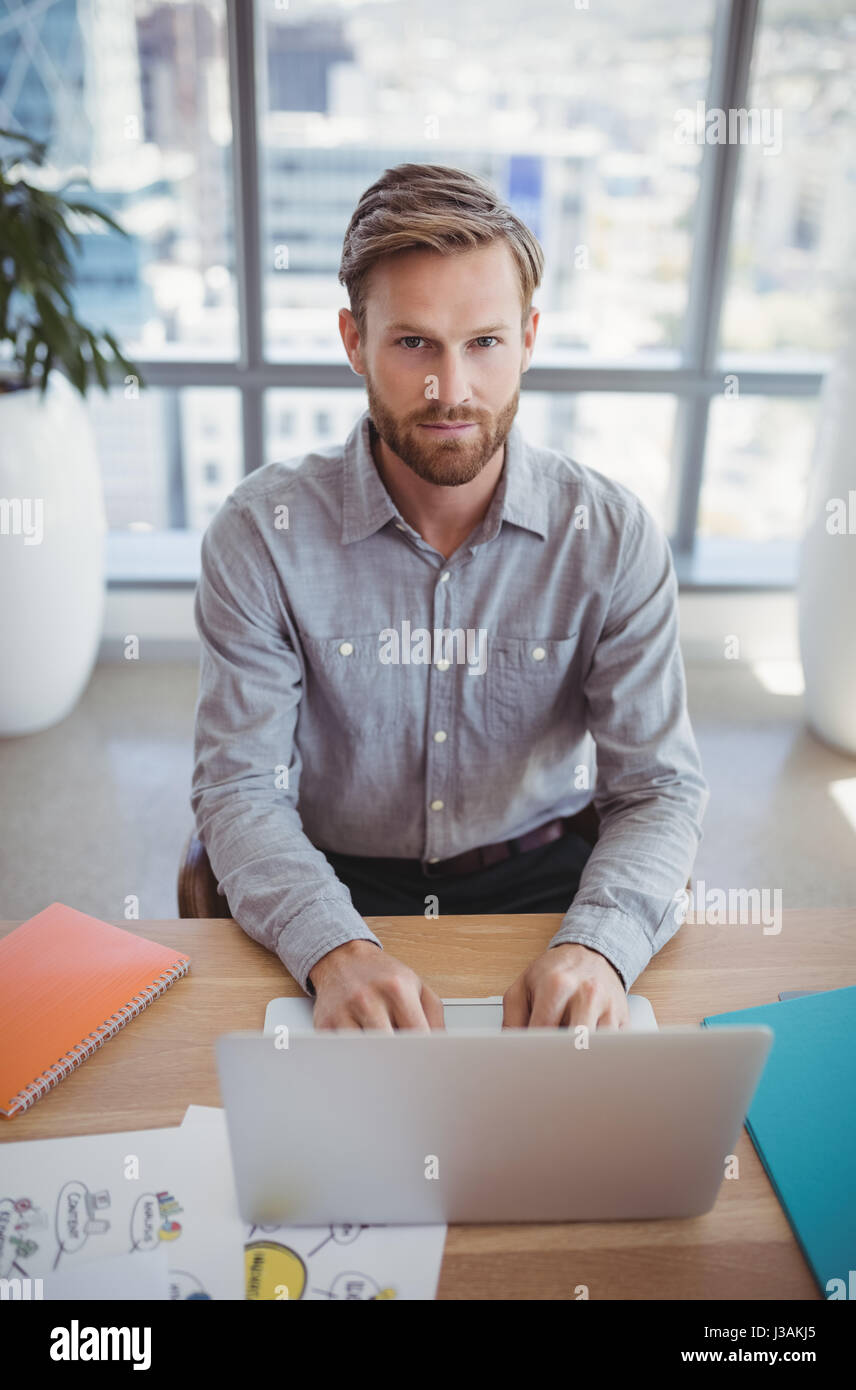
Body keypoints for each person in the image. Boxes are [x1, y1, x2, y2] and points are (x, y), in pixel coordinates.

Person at [191, 163, 708, 1033]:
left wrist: (600, 945)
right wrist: (333, 949)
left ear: (530, 337)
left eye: (484, 343)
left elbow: (658, 788)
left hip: (548, 891)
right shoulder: (259, 535)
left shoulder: (614, 537)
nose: (452, 390)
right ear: (355, 342)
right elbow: (240, 788)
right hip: (338, 886)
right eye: (413, 343)